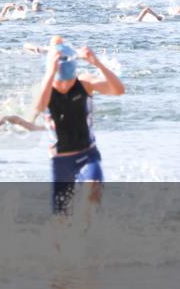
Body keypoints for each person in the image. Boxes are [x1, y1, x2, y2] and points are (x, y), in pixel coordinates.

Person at [33, 37, 125, 215]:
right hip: (60, 160)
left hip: (87, 154)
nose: (66, 85)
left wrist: (98, 64)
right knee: (61, 218)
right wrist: (50, 74)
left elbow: (119, 90)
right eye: (61, 83)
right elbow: (38, 107)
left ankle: (86, 233)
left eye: (69, 81)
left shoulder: (84, 83)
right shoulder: (45, 88)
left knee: (94, 191)